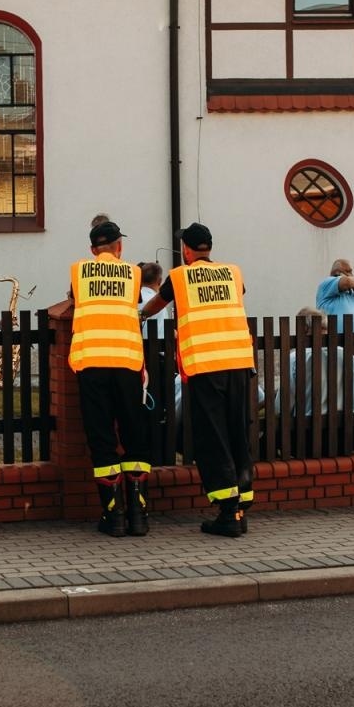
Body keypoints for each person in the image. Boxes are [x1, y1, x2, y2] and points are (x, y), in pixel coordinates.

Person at [142, 223, 255, 538]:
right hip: (239, 364)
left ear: (186, 250)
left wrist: (136, 316)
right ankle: (240, 508)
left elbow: (156, 305)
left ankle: (227, 512)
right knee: (237, 433)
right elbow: (239, 294)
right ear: (209, 248)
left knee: (212, 438)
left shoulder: (180, 276)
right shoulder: (232, 273)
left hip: (206, 367)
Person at [68, 221, 153, 537]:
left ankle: (113, 516)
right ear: (120, 247)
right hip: (128, 366)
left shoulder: (79, 271)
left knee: (101, 439)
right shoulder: (133, 274)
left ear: (92, 250)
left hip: (91, 365)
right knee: (135, 438)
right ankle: (139, 516)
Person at [316, 259, 354, 326]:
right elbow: (347, 282)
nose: (352, 275)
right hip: (337, 336)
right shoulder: (327, 283)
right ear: (337, 273)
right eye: (348, 271)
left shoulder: (353, 292)